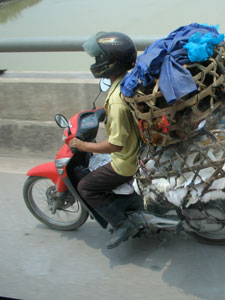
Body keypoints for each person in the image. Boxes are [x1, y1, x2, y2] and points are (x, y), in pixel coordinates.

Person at [68, 31, 141, 249]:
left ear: (111, 62)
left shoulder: (117, 101)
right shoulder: (125, 82)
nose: (97, 62)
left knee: (86, 186)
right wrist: (102, 112)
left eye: (99, 58)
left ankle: (122, 224)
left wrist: (82, 145)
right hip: (138, 150)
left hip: (126, 162)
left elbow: (115, 145)